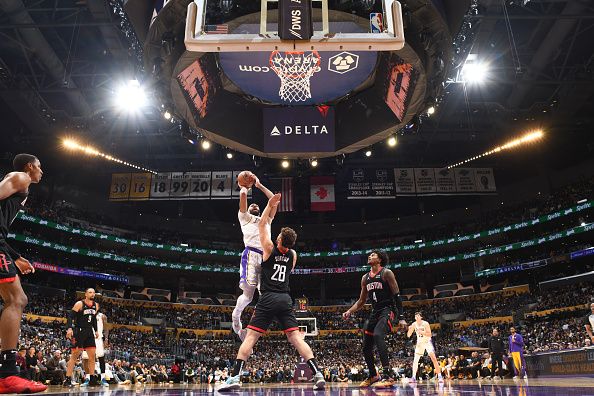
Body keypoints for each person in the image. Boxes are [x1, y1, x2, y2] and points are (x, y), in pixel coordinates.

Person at [217, 194, 325, 391]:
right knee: (296, 339)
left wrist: (269, 205)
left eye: (278, 236)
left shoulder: (268, 248)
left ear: (280, 240)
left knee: (250, 337)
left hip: (267, 297)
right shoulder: (293, 255)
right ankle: (318, 373)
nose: (275, 237)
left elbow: (262, 226)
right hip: (285, 298)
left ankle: (234, 378)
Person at [0, 154, 46, 393]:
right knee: (16, 299)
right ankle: (7, 374)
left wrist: (15, 256)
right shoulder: (20, 178)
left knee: (15, 299)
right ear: (30, 167)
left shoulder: (21, 188)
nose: (42, 171)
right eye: (39, 166)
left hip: (2, 244)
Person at [342, 250, 407, 388]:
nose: (370, 256)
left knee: (378, 335)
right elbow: (361, 301)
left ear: (380, 259)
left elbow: (397, 297)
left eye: (373, 255)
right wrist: (349, 311)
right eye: (369, 255)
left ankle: (388, 375)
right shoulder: (365, 278)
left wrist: (401, 317)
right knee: (366, 346)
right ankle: (373, 375)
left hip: (388, 310)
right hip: (375, 312)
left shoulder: (386, 273)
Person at [232, 172, 276, 339]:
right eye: (252, 205)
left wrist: (259, 185)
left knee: (266, 294)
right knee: (248, 296)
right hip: (251, 254)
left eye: (256, 205)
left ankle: (254, 327)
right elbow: (243, 195)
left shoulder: (266, 220)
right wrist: (244, 186)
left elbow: (273, 200)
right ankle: (236, 317)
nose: (255, 205)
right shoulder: (244, 217)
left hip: (266, 257)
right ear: (248, 209)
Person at [65, 288, 100, 387]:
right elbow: (70, 316)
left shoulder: (96, 305)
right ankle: (67, 379)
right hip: (79, 331)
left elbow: (93, 319)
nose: (92, 294)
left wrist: (96, 330)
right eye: (90, 292)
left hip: (89, 332)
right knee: (74, 356)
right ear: (85, 294)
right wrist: (69, 328)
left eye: (93, 292)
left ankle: (92, 379)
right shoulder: (79, 304)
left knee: (92, 357)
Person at [406, 312, 443, 383]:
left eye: (418, 316)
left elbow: (430, 334)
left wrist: (422, 332)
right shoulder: (414, 324)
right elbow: (408, 335)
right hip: (419, 343)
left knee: (434, 359)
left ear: (421, 317)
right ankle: (413, 377)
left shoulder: (425, 323)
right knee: (415, 360)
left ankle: (440, 376)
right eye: (415, 316)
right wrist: (409, 329)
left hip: (427, 342)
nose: (416, 317)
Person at [95, 311, 109, 386]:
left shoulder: (102, 316)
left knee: (101, 359)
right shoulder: (87, 313)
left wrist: (106, 339)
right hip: (88, 338)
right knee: (87, 359)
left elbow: (106, 328)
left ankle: (103, 378)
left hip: (98, 339)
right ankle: (88, 378)